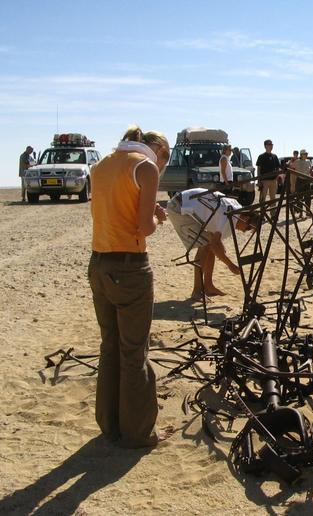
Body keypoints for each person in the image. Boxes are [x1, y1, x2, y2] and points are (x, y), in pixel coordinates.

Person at [88, 125, 172, 448]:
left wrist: (148, 209)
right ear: (159, 152)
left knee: (109, 345)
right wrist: (156, 219)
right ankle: (137, 432)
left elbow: (115, 210)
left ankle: (109, 424)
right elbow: (142, 228)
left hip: (99, 264)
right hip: (130, 268)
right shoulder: (147, 167)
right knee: (134, 351)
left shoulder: (103, 164)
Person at [167, 187, 259, 299]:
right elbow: (215, 244)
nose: (245, 231)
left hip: (185, 203)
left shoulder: (236, 209)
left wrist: (218, 244)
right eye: (248, 227)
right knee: (205, 245)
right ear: (245, 217)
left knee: (209, 246)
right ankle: (197, 291)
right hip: (178, 207)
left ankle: (208, 286)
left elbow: (214, 228)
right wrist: (230, 264)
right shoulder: (229, 215)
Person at [293, 149, 312, 217]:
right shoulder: (297, 161)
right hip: (300, 180)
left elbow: (311, 170)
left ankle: (307, 211)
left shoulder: (308, 161)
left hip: (307, 180)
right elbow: (292, 168)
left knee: (308, 197)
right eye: (305, 154)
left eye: (306, 154)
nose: (306, 155)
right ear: (301, 155)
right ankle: (300, 212)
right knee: (299, 197)